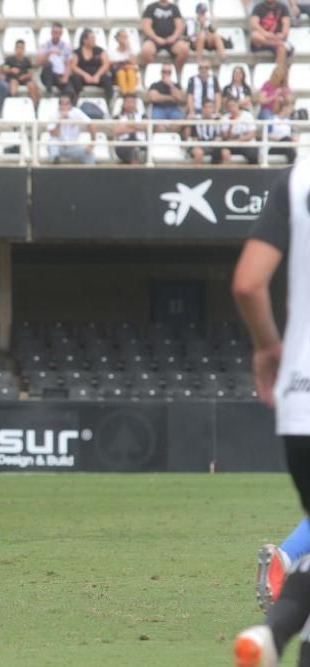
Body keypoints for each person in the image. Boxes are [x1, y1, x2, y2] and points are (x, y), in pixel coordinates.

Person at [232, 158, 310, 667]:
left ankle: (274, 633)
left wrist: (267, 348)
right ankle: (277, 628)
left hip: (301, 400)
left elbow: (248, 284)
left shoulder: (297, 177)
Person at [140, 0, 190, 72]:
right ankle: (154, 74)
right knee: (146, 50)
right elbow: (146, 26)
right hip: (154, 40)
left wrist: (173, 37)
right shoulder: (151, 7)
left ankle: (175, 73)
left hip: (172, 40)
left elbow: (179, 26)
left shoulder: (174, 8)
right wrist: (156, 38)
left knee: (184, 49)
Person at [47, 94, 96, 164]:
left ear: (70, 104)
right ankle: (55, 163)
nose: (64, 106)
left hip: (73, 146)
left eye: (67, 103)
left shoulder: (76, 112)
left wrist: (92, 144)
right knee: (52, 143)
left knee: (90, 154)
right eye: (62, 103)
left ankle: (92, 173)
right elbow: (54, 134)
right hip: (59, 146)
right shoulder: (53, 114)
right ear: (59, 105)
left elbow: (90, 124)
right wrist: (60, 121)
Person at [68, 30, 113, 102]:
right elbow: (73, 67)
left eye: (94, 38)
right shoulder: (76, 52)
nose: (94, 40)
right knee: (75, 79)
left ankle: (109, 101)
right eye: (92, 38)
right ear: (84, 40)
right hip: (83, 77)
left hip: (97, 76)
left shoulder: (100, 50)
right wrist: (85, 75)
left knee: (107, 79)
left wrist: (97, 76)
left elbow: (106, 64)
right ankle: (76, 101)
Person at [250, 0, 293, 65]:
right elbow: (254, 24)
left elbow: (286, 26)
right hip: (263, 39)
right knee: (255, 35)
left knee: (282, 50)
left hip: (276, 37)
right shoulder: (258, 7)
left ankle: (278, 72)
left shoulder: (283, 7)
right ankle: (274, 43)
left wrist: (282, 35)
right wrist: (266, 34)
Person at [147, 65, 186, 129]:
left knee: (180, 122)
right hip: (159, 108)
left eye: (169, 72)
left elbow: (179, 97)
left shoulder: (176, 85)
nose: (166, 74)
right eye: (164, 71)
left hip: (173, 109)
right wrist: (172, 98)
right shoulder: (155, 85)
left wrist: (171, 85)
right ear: (161, 72)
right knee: (159, 125)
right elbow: (154, 98)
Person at [222, 96, 259, 163]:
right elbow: (226, 137)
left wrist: (239, 140)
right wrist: (231, 125)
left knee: (252, 155)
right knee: (223, 152)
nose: (232, 108)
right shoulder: (225, 118)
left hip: (247, 144)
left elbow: (251, 134)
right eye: (229, 106)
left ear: (238, 105)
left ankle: (253, 173)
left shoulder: (247, 115)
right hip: (232, 144)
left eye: (233, 105)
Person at [37, 23, 72, 94]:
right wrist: (48, 53)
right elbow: (39, 62)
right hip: (47, 75)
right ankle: (48, 89)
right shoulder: (44, 45)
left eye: (59, 33)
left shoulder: (66, 47)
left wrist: (65, 77)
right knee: (48, 65)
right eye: (55, 32)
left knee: (69, 90)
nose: (57, 35)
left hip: (60, 74)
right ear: (51, 33)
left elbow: (68, 64)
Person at [113, 95, 148, 164]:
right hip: (124, 144)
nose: (130, 104)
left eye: (133, 102)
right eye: (128, 102)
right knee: (131, 149)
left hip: (140, 142)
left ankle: (134, 163)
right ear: (123, 104)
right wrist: (137, 127)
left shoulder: (143, 116)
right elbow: (117, 130)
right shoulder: (117, 117)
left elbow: (145, 127)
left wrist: (127, 126)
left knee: (136, 148)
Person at [3, 39, 40, 106]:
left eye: (21, 48)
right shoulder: (9, 59)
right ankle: (12, 103)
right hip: (13, 78)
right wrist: (11, 70)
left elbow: (30, 73)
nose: (20, 49)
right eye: (18, 47)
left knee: (33, 85)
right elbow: (4, 70)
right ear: (15, 48)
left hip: (24, 79)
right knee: (14, 82)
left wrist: (25, 76)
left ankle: (35, 107)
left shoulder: (27, 61)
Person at [191, 98, 225, 163]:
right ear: (202, 108)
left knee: (225, 152)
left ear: (213, 109)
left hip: (214, 145)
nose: (208, 110)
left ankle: (223, 173)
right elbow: (194, 138)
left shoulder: (217, 119)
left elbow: (219, 136)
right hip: (200, 145)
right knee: (198, 153)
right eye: (205, 107)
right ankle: (197, 173)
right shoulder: (196, 119)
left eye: (210, 107)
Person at [108, 29, 140, 96]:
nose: (125, 39)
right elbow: (110, 65)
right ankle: (125, 95)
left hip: (131, 75)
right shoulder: (112, 52)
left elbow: (134, 64)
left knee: (130, 72)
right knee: (121, 73)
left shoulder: (131, 51)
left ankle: (130, 94)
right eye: (123, 37)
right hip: (118, 76)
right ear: (117, 38)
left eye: (126, 37)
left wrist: (129, 47)